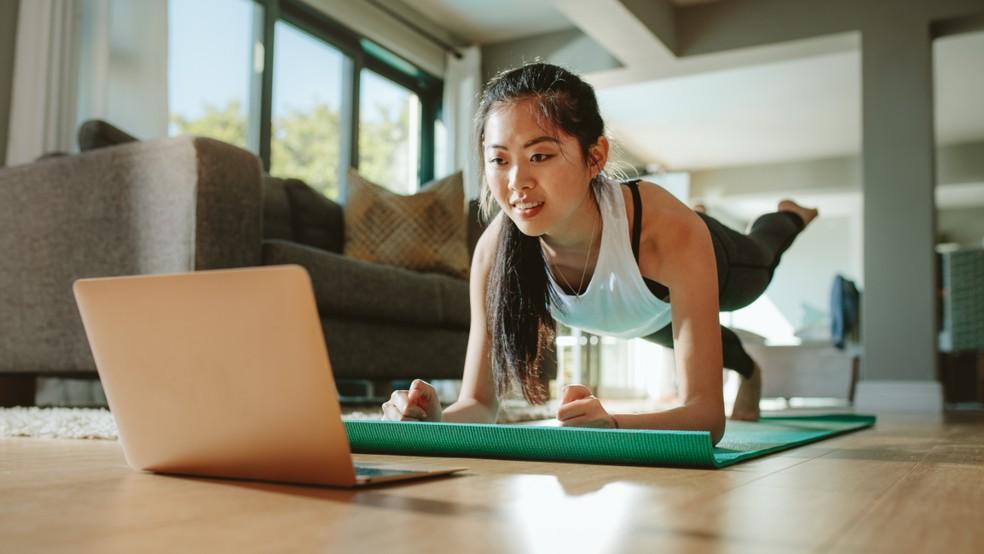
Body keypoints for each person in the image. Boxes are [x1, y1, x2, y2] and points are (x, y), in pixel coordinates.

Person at [380, 62, 817, 444]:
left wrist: (613, 424)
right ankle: (749, 369)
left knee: (762, 257)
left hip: (718, 263)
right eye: (499, 160)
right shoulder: (495, 252)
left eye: (540, 155)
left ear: (596, 156)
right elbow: (477, 405)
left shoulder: (666, 231)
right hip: (638, 312)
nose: (517, 182)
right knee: (705, 342)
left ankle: (788, 215)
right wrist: (432, 418)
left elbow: (705, 417)